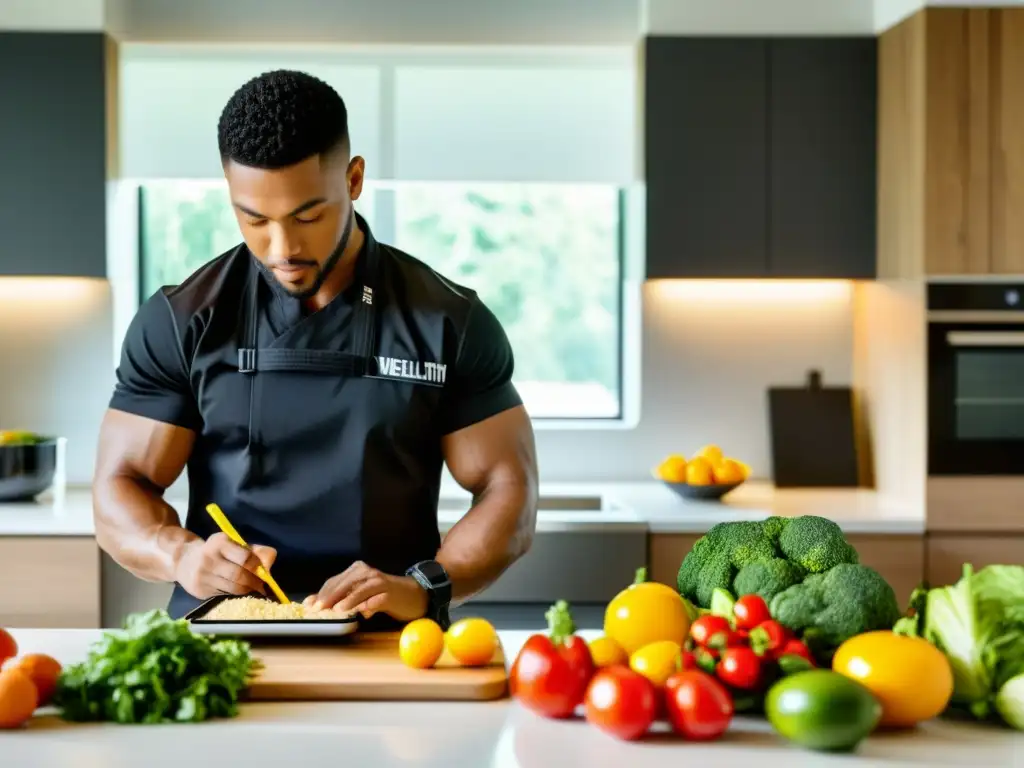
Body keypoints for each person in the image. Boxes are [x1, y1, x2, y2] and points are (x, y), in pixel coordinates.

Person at [93, 69, 539, 630]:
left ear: (353, 180)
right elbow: (119, 485)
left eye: (308, 216)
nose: (283, 249)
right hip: (224, 637)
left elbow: (509, 490)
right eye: (254, 219)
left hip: (394, 642)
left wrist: (423, 590)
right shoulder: (181, 320)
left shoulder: (450, 320)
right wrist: (179, 555)